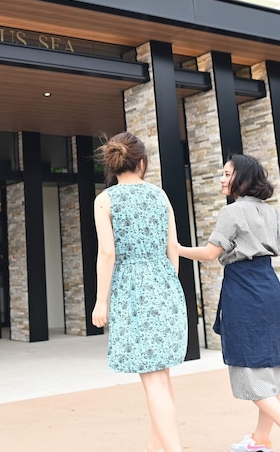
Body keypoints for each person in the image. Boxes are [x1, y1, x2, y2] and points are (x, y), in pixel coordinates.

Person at [177, 154, 280, 452]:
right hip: (270, 290)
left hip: (243, 293)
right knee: (269, 369)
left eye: (227, 174)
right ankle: (260, 440)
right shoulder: (273, 213)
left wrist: (176, 248)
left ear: (242, 178)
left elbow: (210, 254)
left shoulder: (231, 213)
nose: (221, 179)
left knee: (248, 372)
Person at [91, 131, 188, 452]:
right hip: (166, 285)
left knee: (153, 379)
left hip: (132, 290)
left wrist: (100, 301)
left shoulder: (105, 200)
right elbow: (172, 247)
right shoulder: (159, 195)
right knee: (162, 376)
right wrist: (167, 284)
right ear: (142, 163)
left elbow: (107, 253)